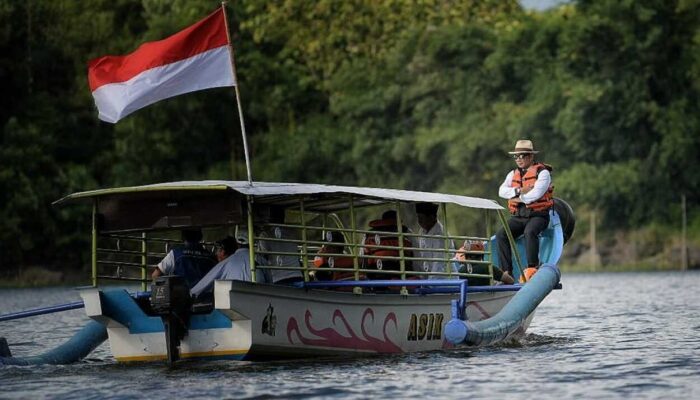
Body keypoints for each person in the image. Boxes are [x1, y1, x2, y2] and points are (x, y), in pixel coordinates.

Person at [496, 139, 554, 283]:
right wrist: (519, 190)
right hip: (519, 216)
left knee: (530, 232)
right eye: (516, 156)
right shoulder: (512, 174)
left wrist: (517, 197)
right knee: (501, 234)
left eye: (522, 155)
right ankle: (506, 272)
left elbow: (536, 195)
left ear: (531, 156)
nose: (519, 159)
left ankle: (532, 268)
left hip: (538, 216)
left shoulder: (543, 173)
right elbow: (501, 191)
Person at [190, 236, 261, 297]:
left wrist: (190, 293)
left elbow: (203, 285)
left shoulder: (226, 262)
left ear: (223, 252)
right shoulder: (261, 260)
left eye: (218, 250)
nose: (216, 254)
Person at [152, 228, 216, 289]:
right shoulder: (210, 257)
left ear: (183, 237)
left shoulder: (175, 254)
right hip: (205, 297)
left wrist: (169, 289)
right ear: (200, 236)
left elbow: (155, 275)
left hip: (181, 297)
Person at [257, 206, 304, 285]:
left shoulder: (265, 235)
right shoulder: (292, 232)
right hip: (297, 276)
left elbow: (262, 259)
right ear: (283, 217)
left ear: (270, 218)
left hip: (278, 278)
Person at [362, 210, 413, 280]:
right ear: (397, 220)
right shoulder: (405, 231)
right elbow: (415, 254)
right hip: (400, 273)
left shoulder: (368, 234)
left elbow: (363, 256)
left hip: (374, 273)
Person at [414, 202, 456, 279]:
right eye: (418, 217)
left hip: (445, 278)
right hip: (430, 275)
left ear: (432, 217)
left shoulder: (440, 235)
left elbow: (438, 264)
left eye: (421, 218)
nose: (419, 221)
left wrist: (430, 283)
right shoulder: (422, 231)